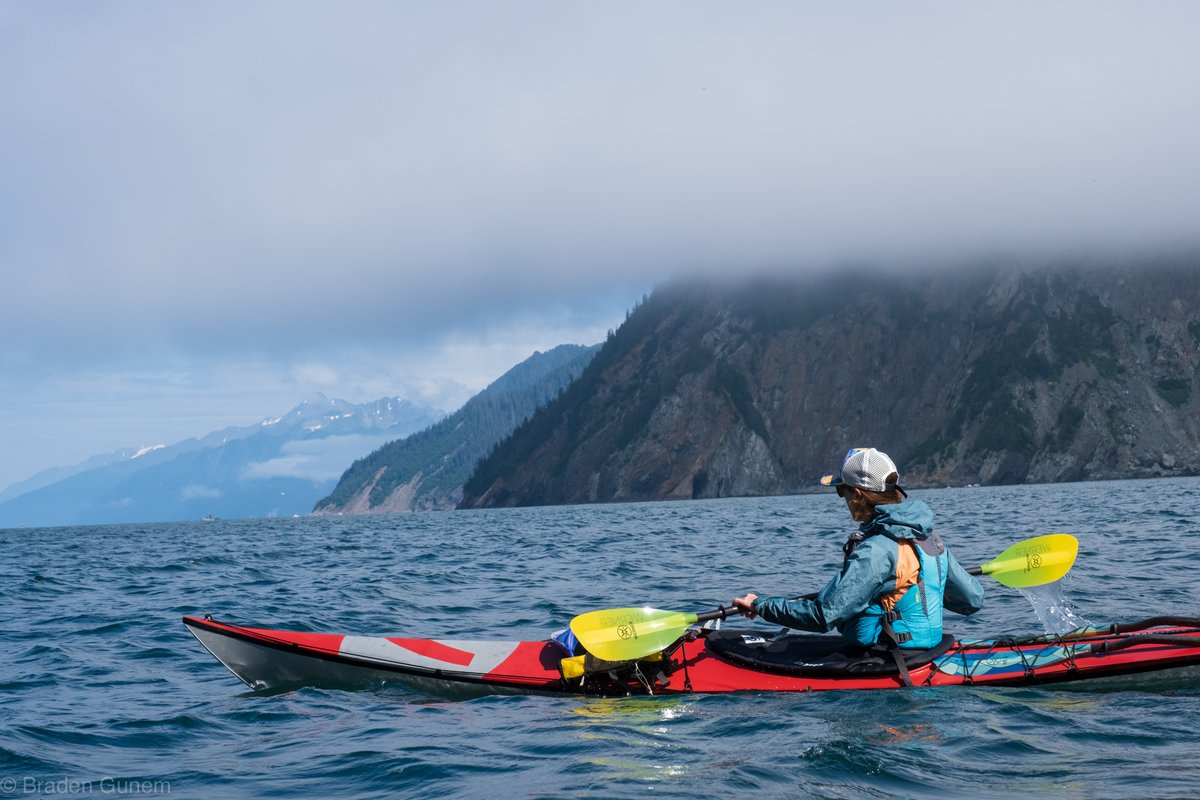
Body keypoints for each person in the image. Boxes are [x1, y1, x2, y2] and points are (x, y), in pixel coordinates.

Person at [733, 447, 984, 653]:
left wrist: (760, 605)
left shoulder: (876, 551)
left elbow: (822, 616)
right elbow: (972, 600)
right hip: (931, 655)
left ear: (857, 495)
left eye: (840, 490)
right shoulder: (930, 539)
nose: (842, 499)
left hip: (889, 666)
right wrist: (929, 584)